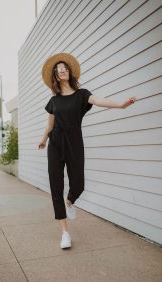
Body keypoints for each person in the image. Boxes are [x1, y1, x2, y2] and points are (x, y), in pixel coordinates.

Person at [38, 53, 136, 249]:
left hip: (74, 141)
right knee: (55, 187)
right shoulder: (54, 100)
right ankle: (65, 233)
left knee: (78, 184)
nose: (61, 71)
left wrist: (121, 105)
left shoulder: (82, 95)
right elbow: (50, 123)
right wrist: (43, 140)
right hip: (55, 143)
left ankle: (69, 202)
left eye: (64, 68)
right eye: (58, 71)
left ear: (69, 71)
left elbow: (100, 101)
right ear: (56, 77)